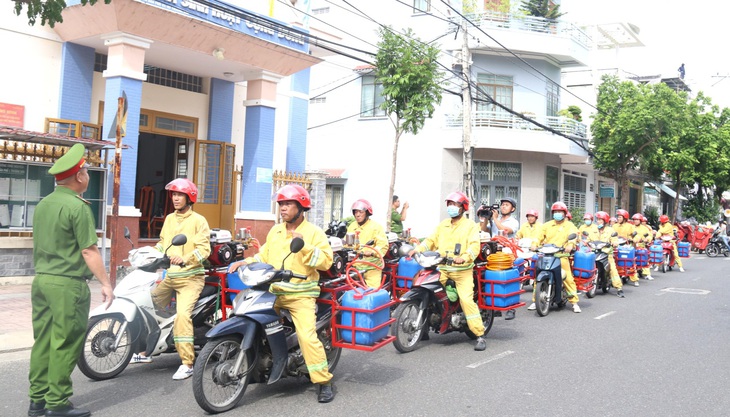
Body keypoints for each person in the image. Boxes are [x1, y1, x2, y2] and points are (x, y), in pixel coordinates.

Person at [228, 184, 336, 402]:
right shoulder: (276, 230)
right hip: (273, 291)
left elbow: (326, 262)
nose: (283, 208)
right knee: (245, 315)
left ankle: (323, 381)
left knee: (307, 336)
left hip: (300, 295)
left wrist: (304, 246)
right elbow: (264, 256)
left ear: (301, 206)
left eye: (288, 204)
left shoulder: (313, 232)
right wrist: (244, 261)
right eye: (281, 204)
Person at [28, 143, 114, 417]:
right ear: (79, 176)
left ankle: (37, 400)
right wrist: (106, 282)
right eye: (87, 171)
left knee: (43, 340)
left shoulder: (44, 204)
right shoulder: (78, 208)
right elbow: (88, 250)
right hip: (67, 284)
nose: (88, 176)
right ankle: (57, 403)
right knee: (65, 342)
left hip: (41, 281)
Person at [129, 178, 211, 381]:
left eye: (179, 195)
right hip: (171, 276)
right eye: (173, 194)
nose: (175, 198)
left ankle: (187, 363)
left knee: (182, 315)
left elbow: (204, 250)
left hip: (191, 278)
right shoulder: (169, 219)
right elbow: (163, 244)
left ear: (189, 197)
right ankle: (146, 351)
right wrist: (147, 253)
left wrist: (186, 258)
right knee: (146, 305)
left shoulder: (199, 221)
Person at [409, 191, 487, 351]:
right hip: (442, 268)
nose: (451, 207)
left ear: (463, 207)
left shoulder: (470, 226)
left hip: (462, 271)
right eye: (450, 204)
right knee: (424, 288)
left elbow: (474, 246)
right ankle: (423, 327)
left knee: (466, 300)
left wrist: (465, 257)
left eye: (455, 204)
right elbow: (430, 241)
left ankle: (479, 334)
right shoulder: (443, 224)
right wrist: (417, 249)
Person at [528, 201, 582, 313]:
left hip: (561, 255)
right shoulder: (546, 225)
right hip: (546, 255)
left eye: (560, 211)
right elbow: (538, 237)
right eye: (555, 211)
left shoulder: (569, 225)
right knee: (537, 276)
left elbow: (573, 237)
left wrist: (570, 245)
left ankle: (574, 302)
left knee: (567, 278)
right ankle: (535, 300)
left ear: (564, 213)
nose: (557, 213)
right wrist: (534, 244)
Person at [480, 197, 519, 320]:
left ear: (512, 209)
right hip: (493, 252)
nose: (503, 207)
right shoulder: (495, 220)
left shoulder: (513, 221)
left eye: (506, 205)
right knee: (487, 276)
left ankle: (511, 308)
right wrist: (486, 218)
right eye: (502, 205)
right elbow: (483, 230)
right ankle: (492, 304)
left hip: (507, 252)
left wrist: (495, 219)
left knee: (507, 278)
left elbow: (505, 230)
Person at [346, 199, 388, 288]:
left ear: (367, 213)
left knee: (372, 294)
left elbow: (383, 245)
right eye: (355, 212)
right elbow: (346, 244)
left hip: (371, 269)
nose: (357, 215)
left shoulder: (376, 227)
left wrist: (373, 252)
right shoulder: (352, 226)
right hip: (355, 268)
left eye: (360, 212)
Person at [590, 211, 625, 297]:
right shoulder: (594, 230)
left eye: (600, 220)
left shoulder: (610, 230)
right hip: (595, 253)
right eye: (598, 220)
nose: (598, 221)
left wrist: (614, 242)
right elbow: (588, 238)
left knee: (613, 269)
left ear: (605, 221)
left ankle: (619, 288)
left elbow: (614, 239)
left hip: (606, 254)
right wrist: (585, 242)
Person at [614, 209, 640, 286]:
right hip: (616, 246)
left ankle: (635, 279)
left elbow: (636, 235)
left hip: (627, 246)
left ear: (624, 218)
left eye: (620, 217)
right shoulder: (614, 226)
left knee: (630, 263)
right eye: (618, 217)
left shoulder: (630, 226)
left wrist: (635, 239)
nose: (618, 218)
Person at [632, 213, 654, 281]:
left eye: (637, 220)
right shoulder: (631, 227)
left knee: (644, 258)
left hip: (641, 246)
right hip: (631, 246)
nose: (636, 221)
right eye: (634, 220)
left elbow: (649, 236)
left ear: (640, 221)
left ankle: (647, 274)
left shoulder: (644, 228)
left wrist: (647, 239)